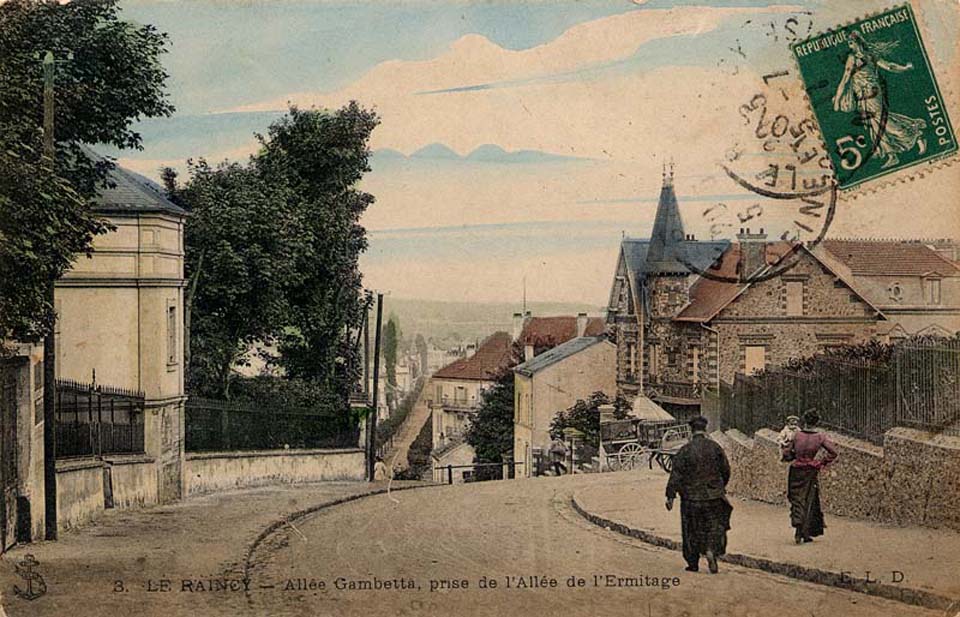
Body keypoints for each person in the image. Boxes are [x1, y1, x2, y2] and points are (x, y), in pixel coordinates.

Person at [832, 31, 927, 170]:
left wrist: (904, 68)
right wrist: (905, 68)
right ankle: (891, 153)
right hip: (862, 96)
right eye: (849, 43)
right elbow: (847, 78)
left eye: (851, 42)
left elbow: (888, 66)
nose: (850, 45)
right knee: (874, 123)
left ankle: (915, 134)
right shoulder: (865, 56)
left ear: (857, 42)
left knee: (884, 122)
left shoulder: (858, 57)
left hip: (871, 94)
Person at [665, 416, 732, 574]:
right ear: (705, 429)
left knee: (691, 530)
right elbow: (726, 470)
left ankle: (693, 563)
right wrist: (719, 487)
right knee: (714, 526)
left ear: (691, 430)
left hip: (691, 498)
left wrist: (670, 496)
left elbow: (676, 475)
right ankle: (711, 551)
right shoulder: (715, 447)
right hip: (713, 496)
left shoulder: (685, 450)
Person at [783, 409, 838, 544]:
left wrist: (791, 455)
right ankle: (804, 532)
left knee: (796, 498)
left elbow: (786, 454)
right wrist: (821, 462)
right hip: (810, 470)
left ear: (804, 420)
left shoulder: (796, 435)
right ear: (817, 422)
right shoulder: (820, 437)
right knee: (809, 500)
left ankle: (798, 526)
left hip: (796, 470)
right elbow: (833, 452)